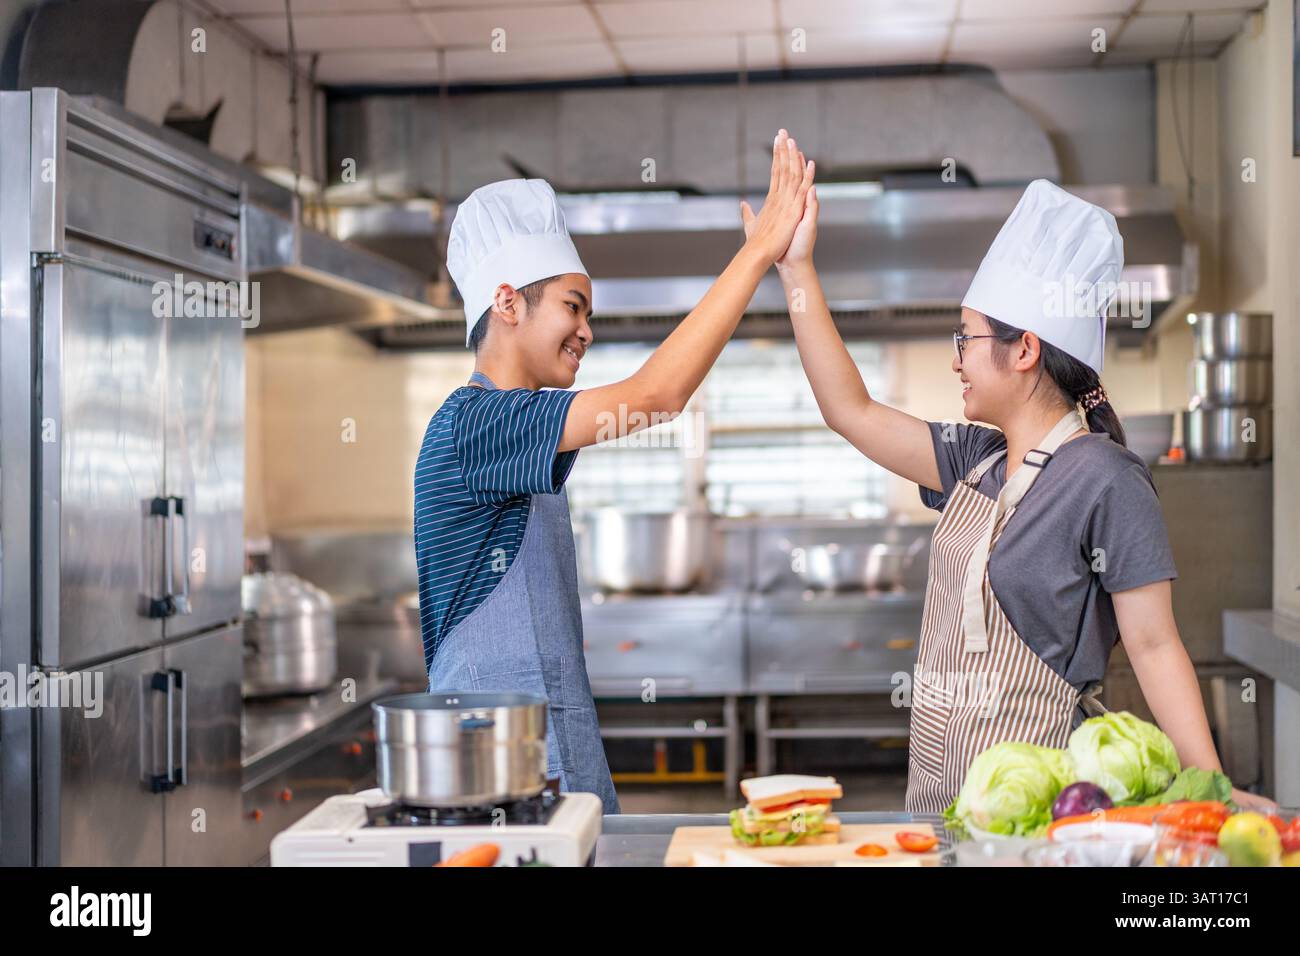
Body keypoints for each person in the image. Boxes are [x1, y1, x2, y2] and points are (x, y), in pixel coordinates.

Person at [751, 176, 1276, 813]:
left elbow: (1154, 645)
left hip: (1046, 813)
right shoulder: (975, 460)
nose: (956, 360)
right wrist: (796, 268)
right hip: (938, 807)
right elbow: (849, 410)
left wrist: (1212, 789)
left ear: (1024, 349)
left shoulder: (1106, 478)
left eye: (964, 339)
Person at [415, 131, 815, 814]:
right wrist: (757, 254)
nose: (587, 331)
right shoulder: (475, 424)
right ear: (508, 303)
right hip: (497, 774)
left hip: (539, 754)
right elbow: (657, 396)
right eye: (574, 306)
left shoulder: (517, 422)